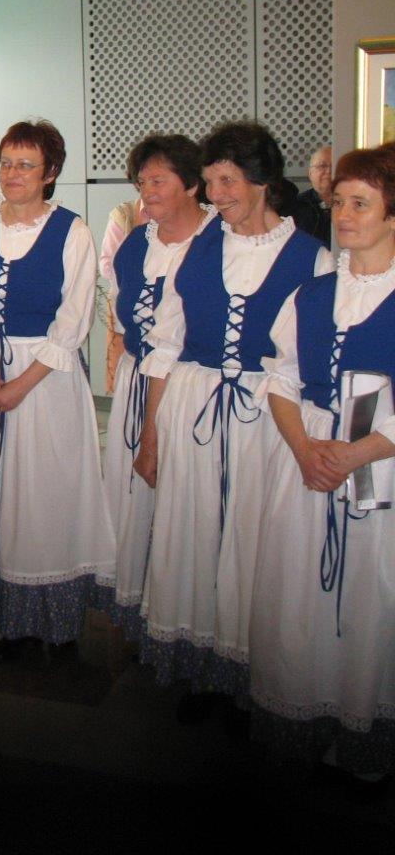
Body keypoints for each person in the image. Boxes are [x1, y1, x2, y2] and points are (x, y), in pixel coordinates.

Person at [133, 121, 332, 719]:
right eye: (211, 181)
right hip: (194, 403)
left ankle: (253, 676)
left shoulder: (312, 258)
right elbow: (166, 345)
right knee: (196, 533)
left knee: (255, 539)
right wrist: (150, 433)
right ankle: (205, 669)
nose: (215, 195)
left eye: (227, 181)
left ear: (262, 180)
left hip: (268, 415)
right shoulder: (199, 246)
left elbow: (314, 362)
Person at [0, 119, 115, 661]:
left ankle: (56, 623)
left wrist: (20, 385)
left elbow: (73, 322)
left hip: (45, 380)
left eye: (26, 165)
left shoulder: (72, 231)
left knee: (43, 495)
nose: (12, 174)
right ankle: (12, 625)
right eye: (7, 163)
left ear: (50, 173)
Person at [249, 144, 395, 795]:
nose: (343, 215)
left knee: (370, 598)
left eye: (360, 203)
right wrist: (306, 449)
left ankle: (366, 738)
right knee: (301, 592)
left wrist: (359, 451)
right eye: (338, 202)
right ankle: (308, 719)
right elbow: (280, 378)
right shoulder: (312, 294)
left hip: (380, 467)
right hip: (306, 460)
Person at [103, 135, 214, 641]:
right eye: (141, 181)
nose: (146, 191)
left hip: (190, 389)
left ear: (192, 185)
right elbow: (123, 315)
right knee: (133, 499)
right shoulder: (135, 245)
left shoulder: (217, 243)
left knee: (184, 505)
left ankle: (189, 622)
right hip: (137, 380)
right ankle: (143, 612)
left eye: (158, 180)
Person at [99, 197, 149, 392]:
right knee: (126, 384)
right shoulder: (124, 214)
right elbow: (106, 264)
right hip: (126, 313)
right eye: (143, 183)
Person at [283, 144, 333, 247]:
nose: (329, 171)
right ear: (310, 173)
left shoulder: (350, 206)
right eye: (322, 166)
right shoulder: (295, 207)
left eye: (334, 166)